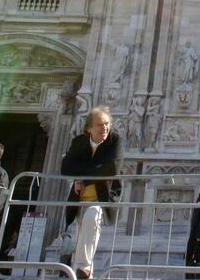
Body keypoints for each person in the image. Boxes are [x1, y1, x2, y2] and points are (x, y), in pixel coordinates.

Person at [60, 107, 122, 280]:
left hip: (102, 196)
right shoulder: (80, 142)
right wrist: (86, 174)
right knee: (85, 235)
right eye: (100, 124)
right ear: (89, 128)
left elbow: (112, 167)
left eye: (107, 124)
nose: (105, 128)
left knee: (92, 216)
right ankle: (85, 272)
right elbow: (65, 168)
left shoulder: (114, 140)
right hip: (78, 197)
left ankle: (82, 269)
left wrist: (82, 179)